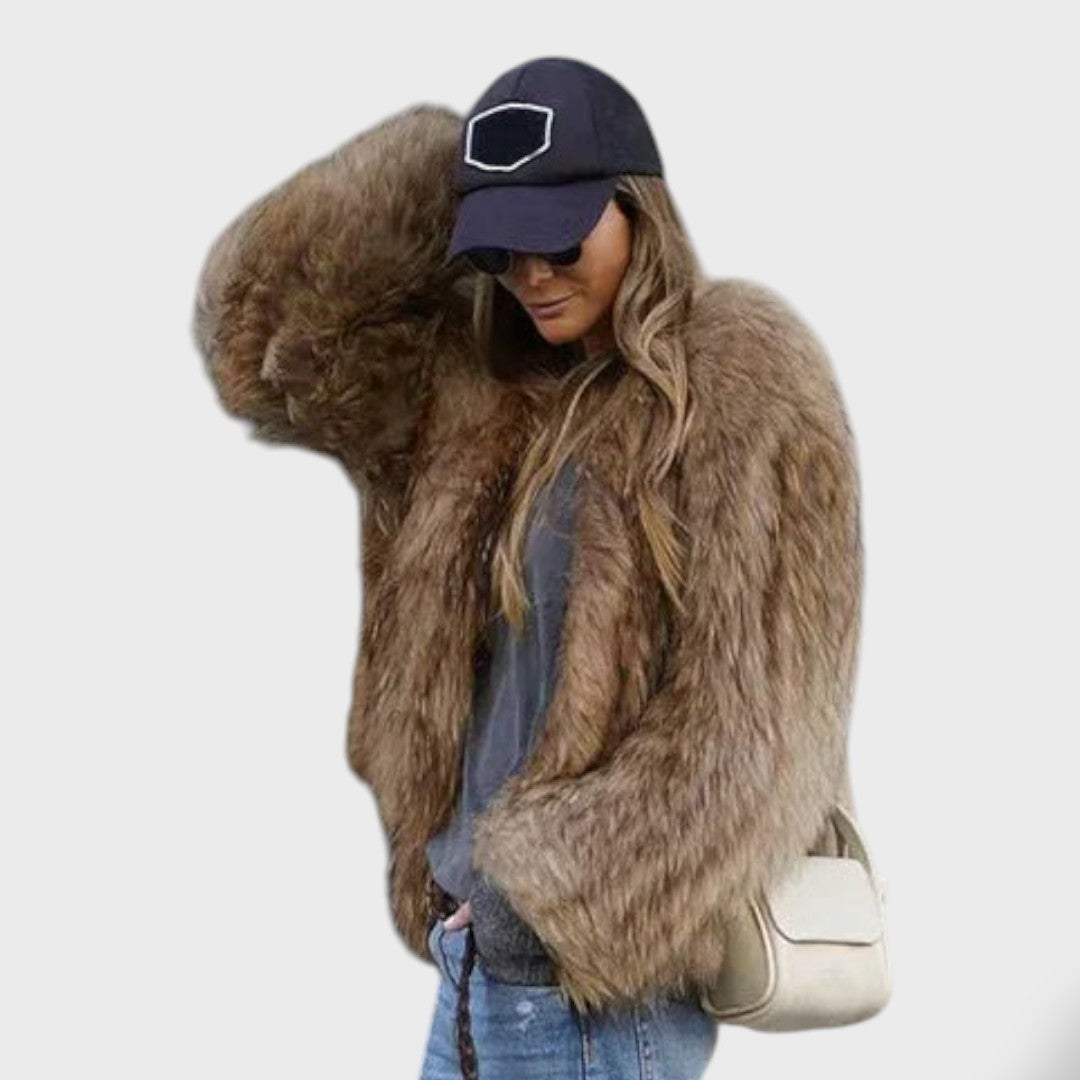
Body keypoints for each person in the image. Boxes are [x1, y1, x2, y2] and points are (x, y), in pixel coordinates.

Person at [192, 55, 863, 1080]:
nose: (533, 275)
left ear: (635, 208)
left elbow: (754, 730)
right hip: (476, 965)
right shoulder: (482, 396)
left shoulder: (737, 375)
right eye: (502, 248)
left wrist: (542, 899)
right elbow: (264, 349)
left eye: (558, 237)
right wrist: (439, 168)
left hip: (592, 988)